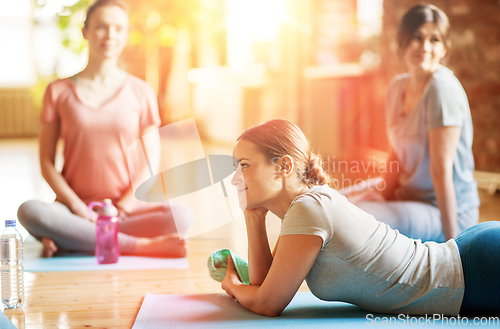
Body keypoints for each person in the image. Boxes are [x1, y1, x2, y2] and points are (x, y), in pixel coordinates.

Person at [222, 119, 499, 317]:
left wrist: (232, 285)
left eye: (244, 166)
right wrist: (253, 218)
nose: (235, 179)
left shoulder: (310, 210)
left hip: (475, 272)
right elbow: (264, 286)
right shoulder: (304, 209)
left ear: (283, 166)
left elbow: (267, 304)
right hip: (471, 260)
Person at [17, 0, 193, 258]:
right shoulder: (57, 92)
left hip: (125, 210)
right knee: (29, 211)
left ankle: (72, 239)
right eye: (101, 27)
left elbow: (151, 162)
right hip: (72, 209)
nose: (110, 34)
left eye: (118, 28)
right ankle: (137, 246)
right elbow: (46, 163)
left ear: (125, 36)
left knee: (182, 216)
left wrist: (122, 207)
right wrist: (78, 209)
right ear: (85, 32)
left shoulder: (141, 91)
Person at [349, 4, 479, 243]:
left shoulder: (441, 89)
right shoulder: (397, 88)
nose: (425, 47)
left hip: (444, 211)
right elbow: (396, 155)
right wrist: (381, 196)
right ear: (402, 40)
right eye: (417, 38)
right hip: (406, 197)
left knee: (349, 217)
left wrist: (455, 247)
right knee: (333, 200)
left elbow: (440, 173)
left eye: (435, 40)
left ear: (445, 48)